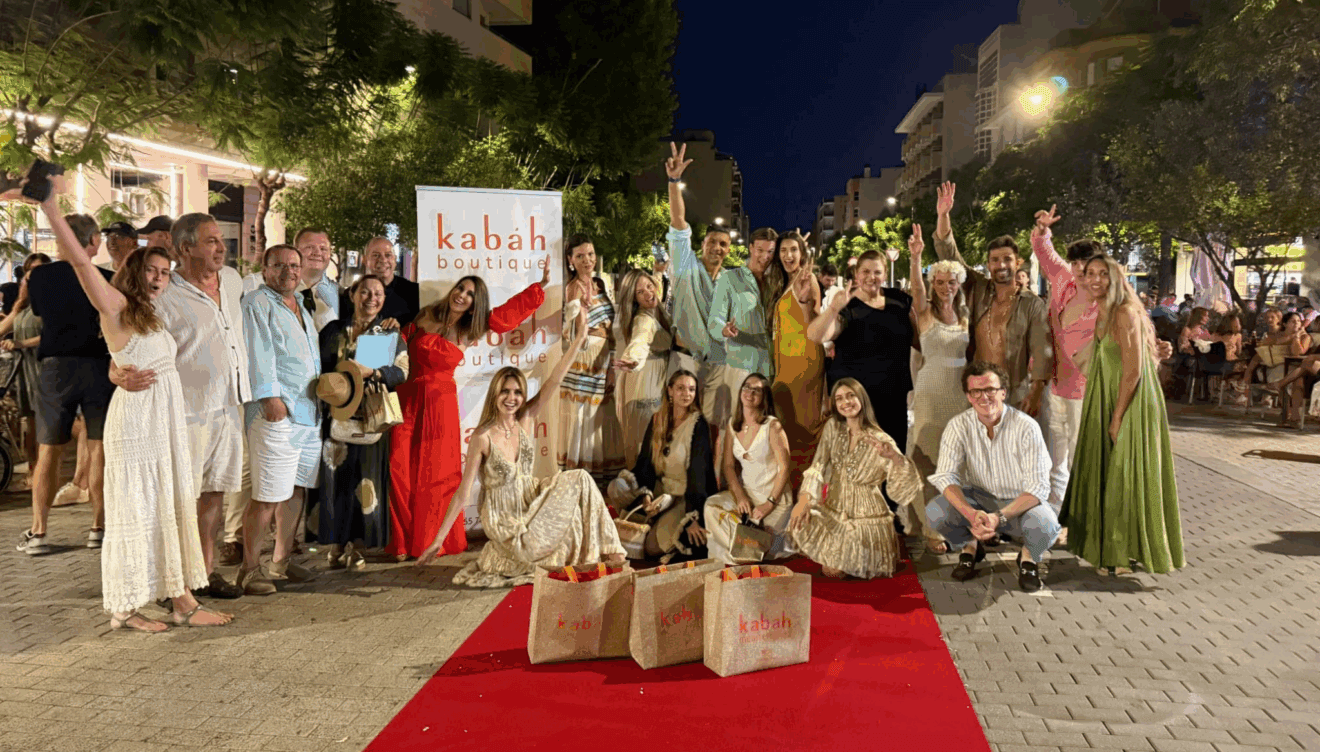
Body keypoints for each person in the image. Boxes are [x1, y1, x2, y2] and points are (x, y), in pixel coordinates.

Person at [32, 175, 230, 630]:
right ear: (134, 272)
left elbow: (133, 356)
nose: (159, 278)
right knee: (136, 511)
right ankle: (125, 607)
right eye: (151, 271)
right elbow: (80, 263)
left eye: (164, 272)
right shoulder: (115, 306)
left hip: (164, 421)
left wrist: (113, 367)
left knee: (168, 506)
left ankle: (181, 600)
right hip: (137, 423)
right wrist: (50, 208)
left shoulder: (152, 314)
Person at [419, 320, 627, 586]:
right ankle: (612, 557)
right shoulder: (482, 437)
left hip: (533, 510)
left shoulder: (525, 418)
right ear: (495, 394)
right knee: (566, 512)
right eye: (505, 391)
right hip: (509, 528)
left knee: (581, 479)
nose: (511, 398)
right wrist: (438, 540)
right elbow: (462, 493)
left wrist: (579, 340)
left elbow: (555, 380)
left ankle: (615, 554)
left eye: (517, 392)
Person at [111, 212, 251, 599]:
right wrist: (116, 373)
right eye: (211, 241)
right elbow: (130, 341)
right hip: (184, 413)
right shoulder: (164, 292)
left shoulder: (233, 280)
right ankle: (172, 580)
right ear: (185, 248)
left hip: (229, 407)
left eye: (220, 240)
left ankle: (204, 572)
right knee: (178, 499)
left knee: (215, 493)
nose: (221, 247)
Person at [388, 262, 549, 561]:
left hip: (440, 404)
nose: (462, 295)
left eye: (470, 294)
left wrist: (539, 288)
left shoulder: (471, 328)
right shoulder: (427, 314)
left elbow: (505, 317)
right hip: (407, 397)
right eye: (461, 288)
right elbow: (395, 348)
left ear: (476, 303)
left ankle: (428, 542)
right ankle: (402, 541)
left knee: (436, 475)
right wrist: (384, 334)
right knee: (399, 468)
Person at [1061, 257, 1184, 575]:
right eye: (1090, 274)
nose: (1096, 279)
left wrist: (1117, 417)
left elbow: (1133, 371)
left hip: (1129, 401)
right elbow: (1141, 353)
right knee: (1111, 474)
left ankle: (1121, 555)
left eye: (1104, 274)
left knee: (1123, 477)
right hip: (1108, 397)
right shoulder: (1103, 311)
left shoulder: (1125, 311)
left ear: (1117, 278)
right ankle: (1111, 550)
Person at [20, 215, 112, 555]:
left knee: (48, 449)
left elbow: (39, 313)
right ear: (92, 241)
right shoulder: (107, 278)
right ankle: (98, 528)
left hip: (56, 367)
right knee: (99, 447)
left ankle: (39, 532)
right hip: (99, 365)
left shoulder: (40, 276)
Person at [926, 362, 1060, 592]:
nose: (984, 397)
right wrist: (971, 514)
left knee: (1046, 525)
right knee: (935, 511)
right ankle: (970, 547)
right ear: (968, 396)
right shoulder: (958, 425)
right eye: (976, 391)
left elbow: (1038, 487)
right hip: (979, 499)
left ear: (1003, 392)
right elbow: (946, 477)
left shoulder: (1026, 427)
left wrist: (998, 517)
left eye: (990, 389)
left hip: (1019, 503)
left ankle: (1028, 559)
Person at [238, 244, 323, 594]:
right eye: (279, 265)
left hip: (308, 411)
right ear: (265, 269)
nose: (289, 271)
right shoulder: (256, 303)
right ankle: (249, 569)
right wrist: (270, 397)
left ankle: (280, 562)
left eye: (294, 265)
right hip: (276, 412)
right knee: (267, 494)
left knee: (295, 489)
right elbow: (258, 352)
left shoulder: (301, 303)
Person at [931, 182, 1053, 414]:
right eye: (995, 260)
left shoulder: (1032, 304)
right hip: (976, 390)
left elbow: (1042, 349)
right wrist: (944, 215)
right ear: (988, 265)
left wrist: (1036, 390)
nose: (1001, 265)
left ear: (1017, 262)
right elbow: (949, 253)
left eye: (1007, 259)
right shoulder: (978, 288)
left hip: (1014, 393)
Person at [789, 378, 923, 579]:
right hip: (834, 509)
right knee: (799, 524)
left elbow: (902, 490)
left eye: (851, 396)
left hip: (865, 518)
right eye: (839, 398)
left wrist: (894, 458)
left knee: (833, 571)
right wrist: (804, 500)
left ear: (862, 399)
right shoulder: (833, 427)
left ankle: (862, 557)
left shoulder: (881, 439)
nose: (846, 402)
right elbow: (818, 465)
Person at [317, 274, 407, 570]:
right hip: (336, 415)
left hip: (371, 417)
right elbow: (317, 366)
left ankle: (357, 547)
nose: (372, 298)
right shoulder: (333, 330)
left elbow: (402, 372)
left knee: (366, 483)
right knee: (336, 483)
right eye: (365, 292)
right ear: (352, 294)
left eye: (378, 293)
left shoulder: (387, 333)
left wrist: (375, 372)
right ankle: (335, 543)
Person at [805, 249, 915, 470]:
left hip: (893, 396)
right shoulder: (848, 306)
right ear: (856, 274)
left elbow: (917, 337)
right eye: (865, 271)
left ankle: (890, 495)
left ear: (885, 274)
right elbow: (815, 336)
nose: (871, 277)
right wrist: (833, 308)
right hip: (858, 402)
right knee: (860, 464)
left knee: (893, 459)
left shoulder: (899, 300)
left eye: (877, 272)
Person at [1030, 206, 1104, 514]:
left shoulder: (1107, 299)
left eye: (1086, 262)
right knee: (1054, 456)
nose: (1079, 267)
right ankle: (1057, 512)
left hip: (1085, 389)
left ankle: (1085, 514)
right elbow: (1044, 251)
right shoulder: (1063, 279)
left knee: (1079, 456)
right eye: (1074, 261)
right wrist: (1043, 229)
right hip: (1056, 383)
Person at [664, 143, 736, 431]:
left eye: (723, 244)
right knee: (679, 422)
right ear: (702, 244)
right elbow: (678, 220)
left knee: (709, 425)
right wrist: (674, 181)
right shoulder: (685, 266)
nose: (717, 248)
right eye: (712, 242)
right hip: (685, 360)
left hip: (716, 361)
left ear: (728, 250)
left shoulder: (729, 282)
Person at [907, 225, 969, 553]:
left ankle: (956, 522)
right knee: (928, 462)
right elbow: (916, 289)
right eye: (940, 282)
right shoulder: (925, 312)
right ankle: (931, 529)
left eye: (951, 282)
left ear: (959, 285)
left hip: (960, 396)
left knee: (956, 464)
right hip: (930, 392)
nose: (946, 287)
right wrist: (916, 258)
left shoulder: (965, 315)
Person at [627, 370, 717, 563]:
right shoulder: (657, 420)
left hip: (685, 496)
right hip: (660, 492)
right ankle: (648, 520)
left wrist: (693, 518)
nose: (687, 394)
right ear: (670, 391)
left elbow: (699, 475)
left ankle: (671, 541)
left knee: (650, 548)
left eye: (691, 389)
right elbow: (645, 463)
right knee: (617, 488)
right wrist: (646, 494)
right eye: (681, 388)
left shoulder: (698, 424)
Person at [557, 235, 625, 486]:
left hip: (604, 356)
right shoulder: (572, 288)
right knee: (585, 415)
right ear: (570, 260)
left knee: (602, 414)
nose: (587, 260)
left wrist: (612, 365)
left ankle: (602, 482)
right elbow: (574, 333)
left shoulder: (600, 283)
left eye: (590, 254)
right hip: (585, 359)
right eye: (580, 256)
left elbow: (612, 327)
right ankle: (582, 479)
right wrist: (581, 309)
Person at [704, 373, 793, 565]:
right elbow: (728, 466)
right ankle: (746, 552)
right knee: (711, 506)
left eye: (757, 390)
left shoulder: (772, 426)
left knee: (758, 535)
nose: (750, 392)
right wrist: (740, 496)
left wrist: (769, 504)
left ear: (764, 397)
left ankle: (745, 551)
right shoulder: (732, 425)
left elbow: (785, 469)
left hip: (774, 500)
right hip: (748, 495)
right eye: (747, 387)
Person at [769, 230, 827, 490]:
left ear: (802, 253)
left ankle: (805, 492)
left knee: (803, 429)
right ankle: (793, 489)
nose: (788, 255)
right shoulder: (786, 281)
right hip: (785, 364)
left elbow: (815, 321)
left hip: (804, 363)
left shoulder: (807, 279)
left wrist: (804, 301)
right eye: (783, 250)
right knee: (788, 428)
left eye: (793, 249)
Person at [0, 253, 51, 490]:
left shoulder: (52, 302)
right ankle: (33, 472)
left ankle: (45, 475)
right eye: (29, 271)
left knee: (49, 424)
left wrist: (21, 343)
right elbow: (3, 327)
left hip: (44, 367)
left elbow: (53, 335)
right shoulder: (22, 306)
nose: (32, 275)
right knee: (28, 422)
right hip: (24, 370)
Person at [708, 226, 779, 395]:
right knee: (738, 410)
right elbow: (714, 320)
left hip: (772, 365)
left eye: (770, 251)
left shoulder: (777, 281)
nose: (765, 257)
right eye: (760, 250)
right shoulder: (730, 278)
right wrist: (724, 330)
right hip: (741, 365)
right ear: (751, 248)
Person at [614, 268, 673, 469]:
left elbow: (656, 283)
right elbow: (640, 340)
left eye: (649, 287)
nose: (648, 293)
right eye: (640, 292)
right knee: (645, 439)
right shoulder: (644, 319)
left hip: (654, 379)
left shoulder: (657, 308)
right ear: (634, 298)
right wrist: (633, 359)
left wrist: (659, 270)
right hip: (645, 383)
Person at [344, 237, 419, 326]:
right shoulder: (350, 295)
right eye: (376, 255)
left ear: (395, 259)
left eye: (388, 255)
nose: (383, 260)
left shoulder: (414, 293)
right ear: (365, 260)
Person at [294, 227, 339, 330]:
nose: (317, 253)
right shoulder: (269, 289)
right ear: (295, 251)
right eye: (309, 247)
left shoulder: (341, 296)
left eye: (323, 249)